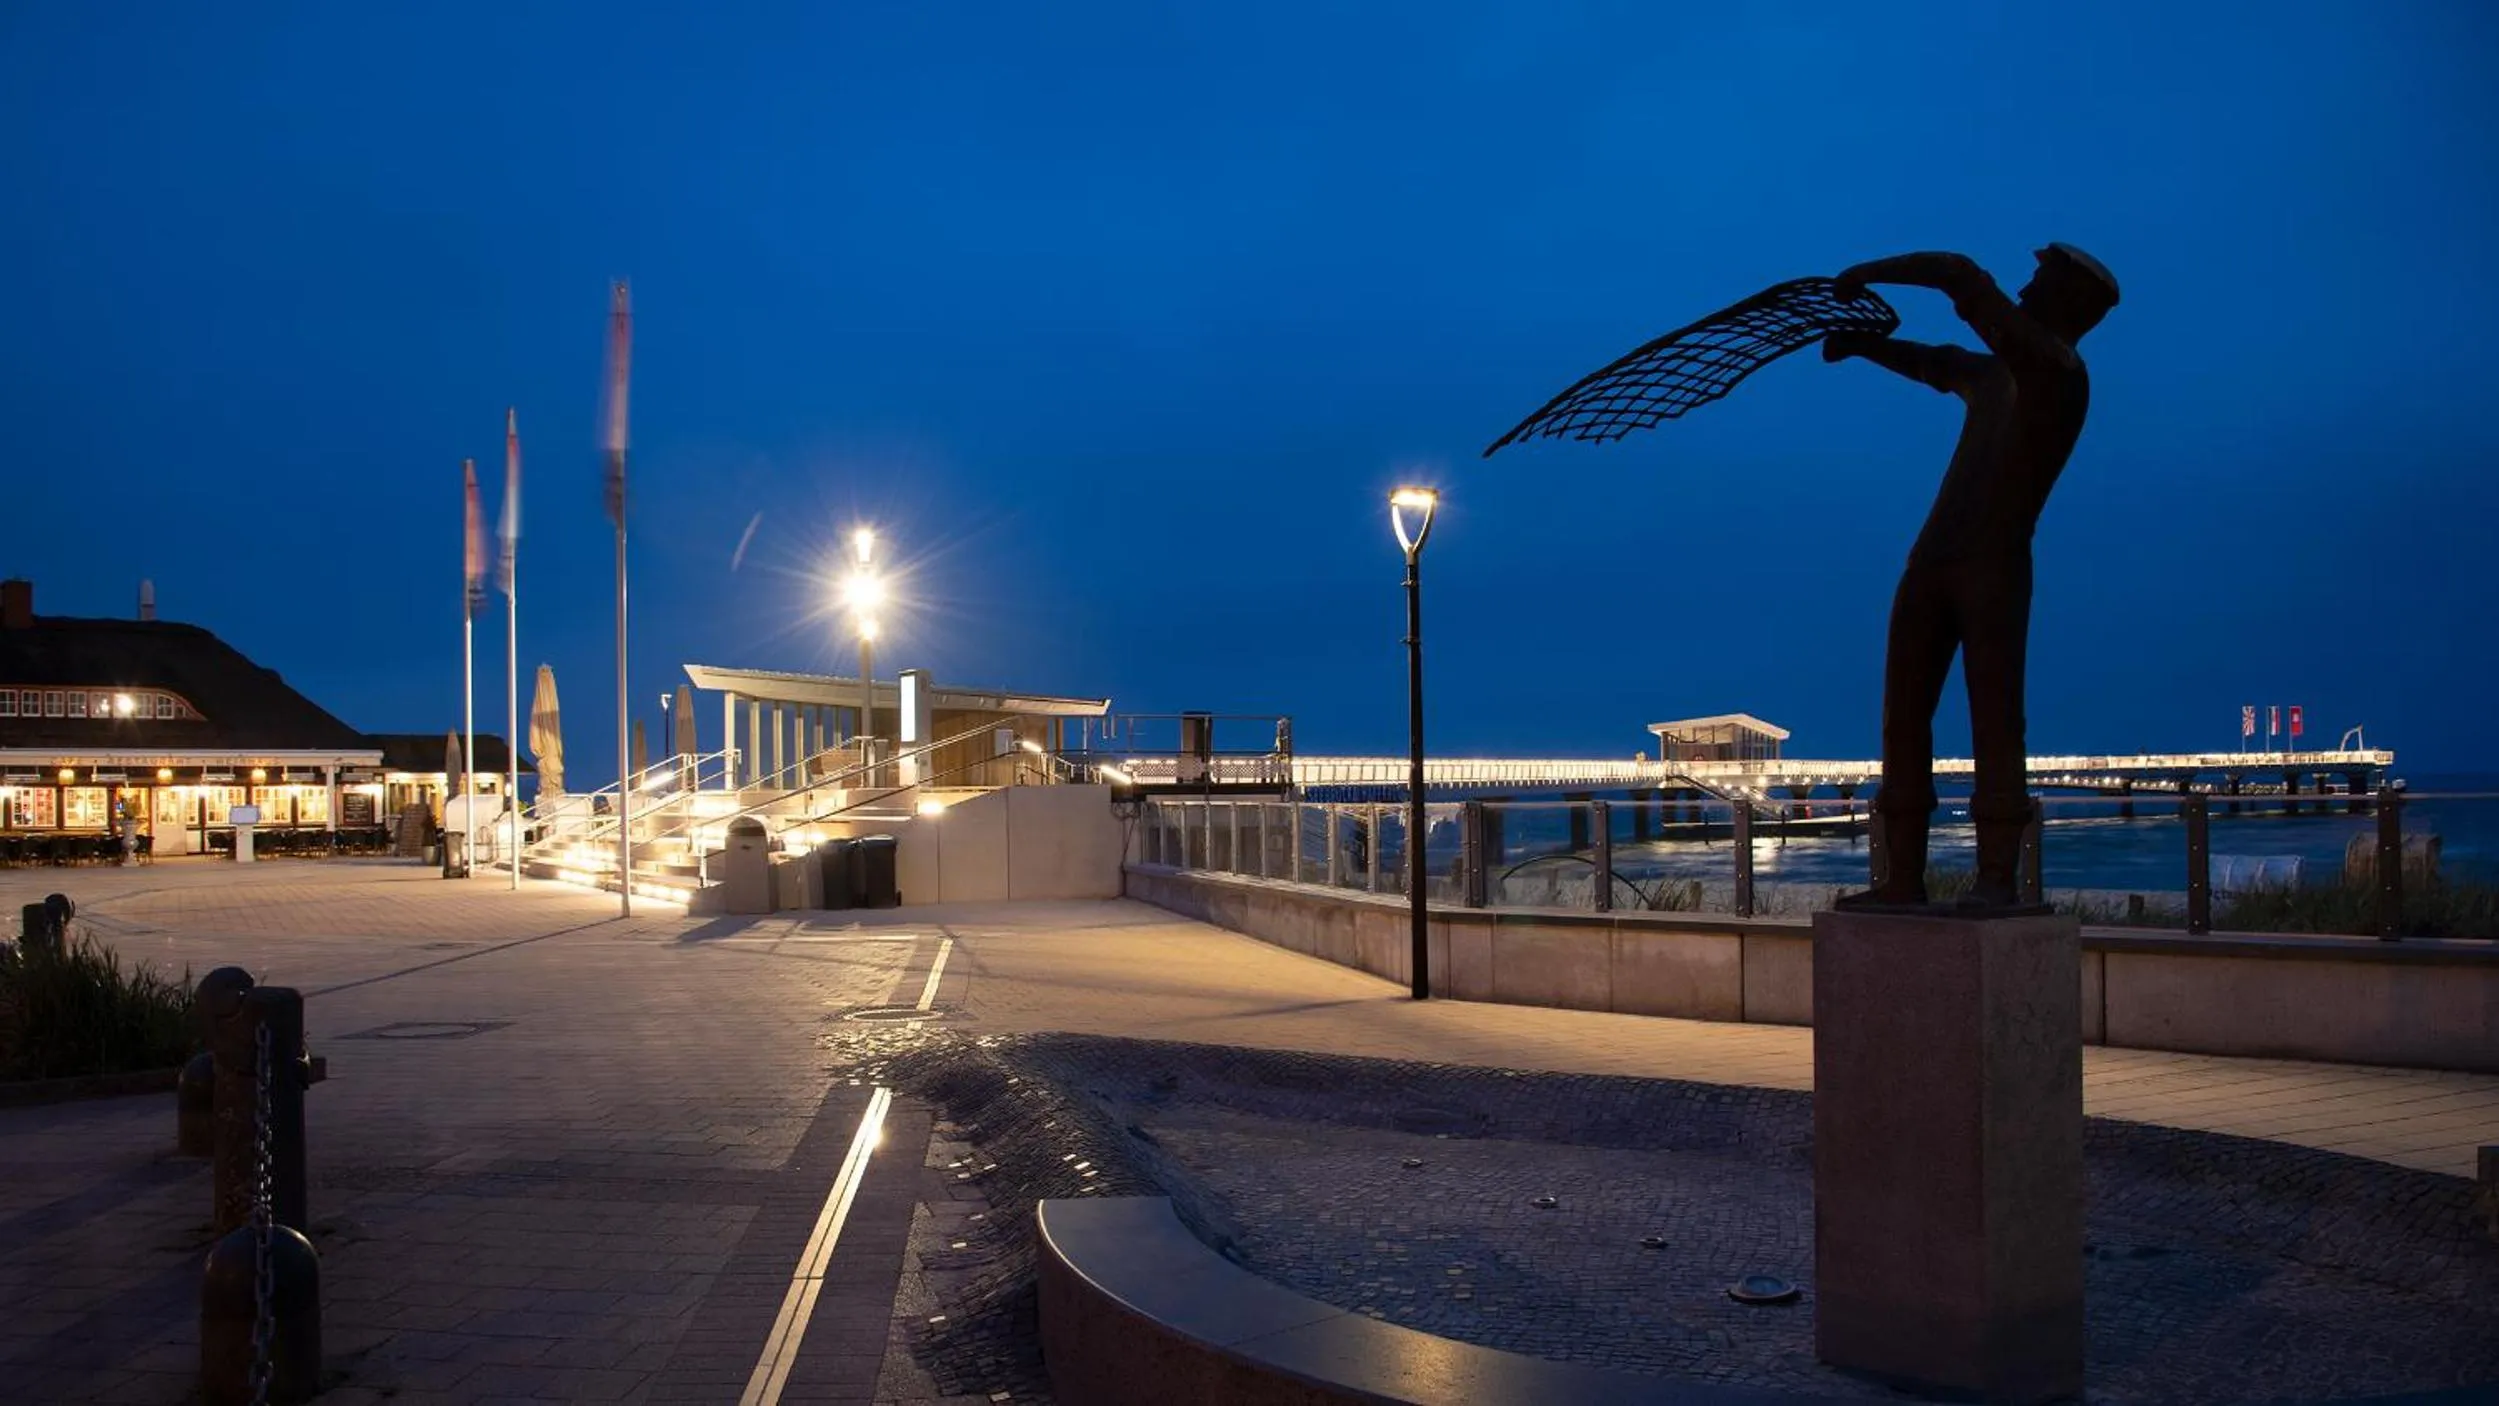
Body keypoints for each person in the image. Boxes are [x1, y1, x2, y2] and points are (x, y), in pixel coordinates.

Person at [1823, 244, 2120, 909]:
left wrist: (1864, 273)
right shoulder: (1994, 376)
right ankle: (1900, 880)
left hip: (1994, 567)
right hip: (1928, 562)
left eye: (2038, 281)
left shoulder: (2057, 372)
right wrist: (1863, 347)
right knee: (1901, 719)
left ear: (2068, 301)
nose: (2022, 287)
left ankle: (1994, 881)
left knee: (1994, 719)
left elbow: (1960, 276)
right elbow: (1936, 363)